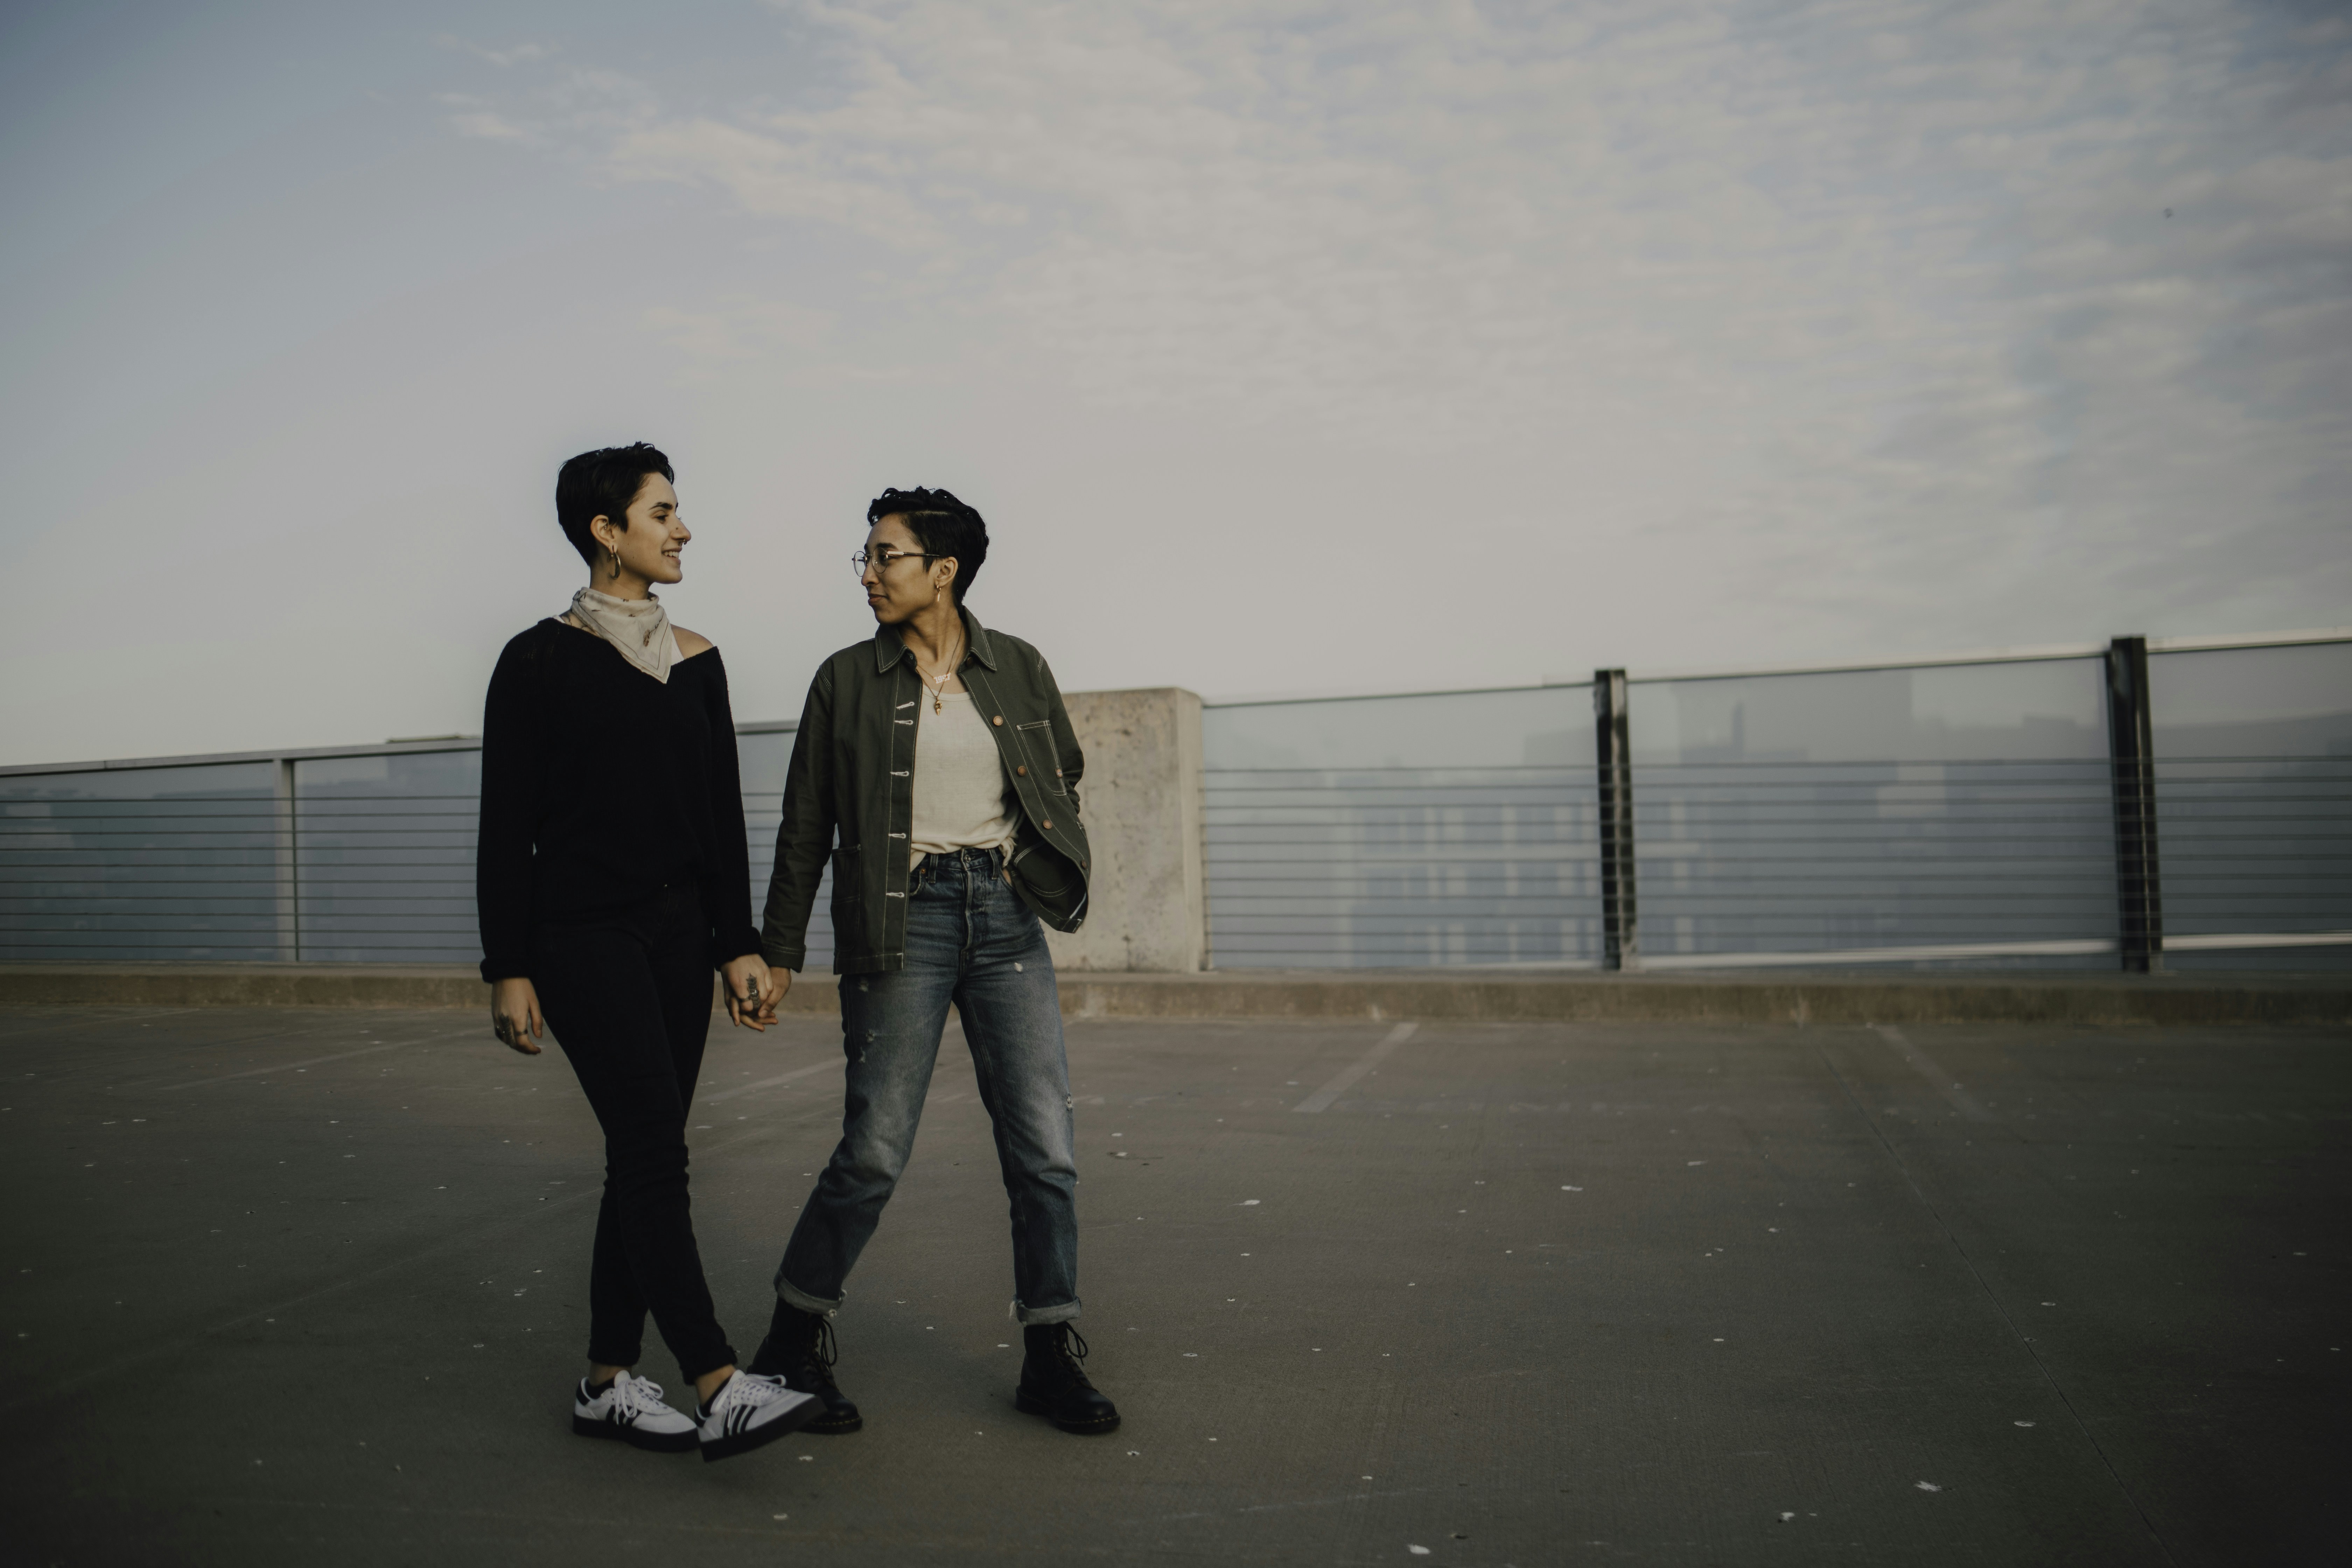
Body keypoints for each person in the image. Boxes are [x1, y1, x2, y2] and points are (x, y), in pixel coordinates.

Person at [748, 485, 1118, 1435]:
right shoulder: (844, 680)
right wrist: (776, 953)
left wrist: (1026, 854)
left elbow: (1059, 769)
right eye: (866, 558)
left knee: (1047, 1151)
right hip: (900, 921)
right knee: (872, 1150)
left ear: (942, 571)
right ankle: (789, 1348)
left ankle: (1048, 1353)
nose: (869, 574)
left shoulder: (1019, 668)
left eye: (886, 557)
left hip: (1005, 920)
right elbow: (804, 826)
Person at [476, 441, 818, 1463]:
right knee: (652, 1149)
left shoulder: (699, 662)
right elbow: (507, 827)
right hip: (581, 935)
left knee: (646, 1153)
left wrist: (738, 947)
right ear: (605, 531)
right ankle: (718, 1379)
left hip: (677, 937)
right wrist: (509, 965)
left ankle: (607, 1382)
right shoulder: (534, 661)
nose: (682, 529)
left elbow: (719, 818)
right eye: (662, 512)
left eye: (678, 512)